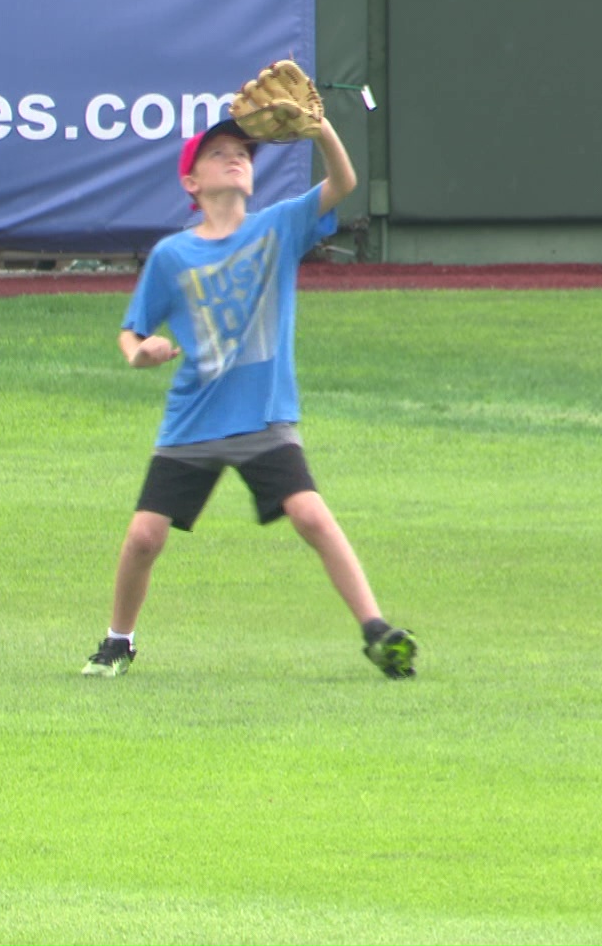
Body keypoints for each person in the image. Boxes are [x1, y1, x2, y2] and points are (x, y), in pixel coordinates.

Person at [81, 111, 419, 680]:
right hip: (194, 419)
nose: (235, 157)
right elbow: (131, 331)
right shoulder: (173, 256)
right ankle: (118, 641)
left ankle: (376, 631)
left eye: (243, 153)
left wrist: (321, 131)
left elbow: (343, 184)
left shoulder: (278, 228)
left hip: (263, 419)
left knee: (310, 513)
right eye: (218, 153)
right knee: (144, 535)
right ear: (192, 182)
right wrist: (139, 353)